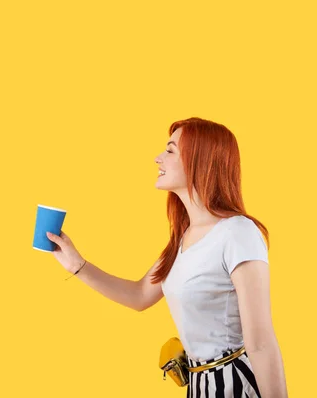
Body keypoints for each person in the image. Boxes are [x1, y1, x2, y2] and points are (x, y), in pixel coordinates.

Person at [46, 117, 288, 397]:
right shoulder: (182, 237)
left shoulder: (238, 233)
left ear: (200, 159)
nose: (158, 158)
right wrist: (77, 265)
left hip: (234, 385)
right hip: (198, 387)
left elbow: (260, 343)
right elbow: (139, 296)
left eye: (170, 150)